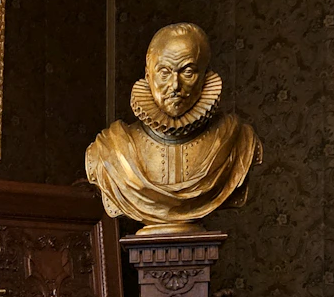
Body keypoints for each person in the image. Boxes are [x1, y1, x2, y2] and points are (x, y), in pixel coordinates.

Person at [84, 22, 263, 234]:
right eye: (164, 72)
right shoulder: (110, 149)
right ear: (148, 74)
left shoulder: (237, 140)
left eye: (188, 72)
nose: (175, 85)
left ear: (205, 77)